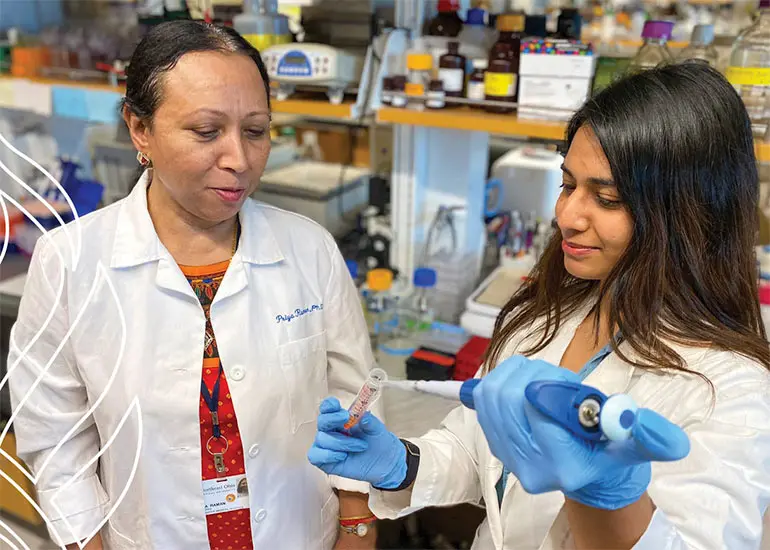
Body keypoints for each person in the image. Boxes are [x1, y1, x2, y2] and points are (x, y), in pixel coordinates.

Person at [308, 62, 770, 549]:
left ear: (689, 213)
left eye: (606, 198)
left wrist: (605, 492)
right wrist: (402, 463)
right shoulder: (552, 313)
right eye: (568, 185)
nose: (566, 216)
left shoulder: (733, 390)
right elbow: (480, 452)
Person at [7, 21, 379, 550]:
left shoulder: (309, 249)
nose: (239, 160)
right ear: (140, 129)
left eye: (256, 131)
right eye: (206, 131)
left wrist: (358, 526)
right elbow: (56, 440)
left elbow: (356, 403)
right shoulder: (69, 264)